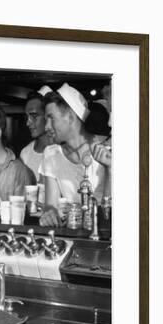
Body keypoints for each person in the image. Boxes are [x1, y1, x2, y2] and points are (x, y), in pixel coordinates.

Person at [39, 84, 112, 227]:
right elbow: (50, 205)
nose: (46, 126)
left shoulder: (108, 149)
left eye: (51, 118)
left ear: (71, 117)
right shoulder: (51, 154)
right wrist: (50, 213)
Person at [20, 90, 54, 182]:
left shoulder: (61, 151)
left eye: (34, 116)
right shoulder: (25, 153)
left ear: (48, 116)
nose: (28, 123)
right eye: (26, 117)